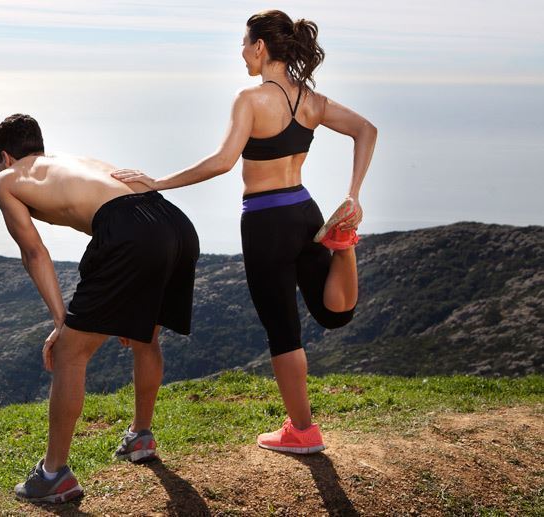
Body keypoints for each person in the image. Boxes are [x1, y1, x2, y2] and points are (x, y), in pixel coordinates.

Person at [112, 9, 377, 455]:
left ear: (259, 47)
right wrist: (353, 194)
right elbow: (366, 130)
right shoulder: (310, 100)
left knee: (283, 330)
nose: (241, 53)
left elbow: (221, 161)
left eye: (244, 44)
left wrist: (157, 183)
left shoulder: (251, 99)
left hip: (265, 222)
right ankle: (343, 247)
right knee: (334, 313)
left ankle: (303, 431)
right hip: (305, 211)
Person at [0, 113, 199, 503]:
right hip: (175, 223)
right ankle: (141, 436)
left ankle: (53, 475)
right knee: (146, 334)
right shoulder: (73, 161)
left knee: (70, 351)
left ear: (5, 156)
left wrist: (60, 321)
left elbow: (34, 253)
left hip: (129, 231)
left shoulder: (7, 179)